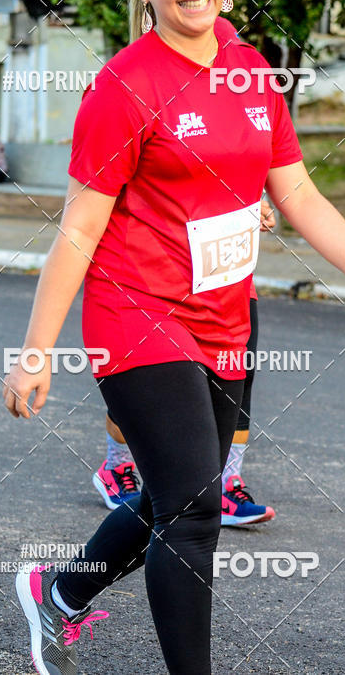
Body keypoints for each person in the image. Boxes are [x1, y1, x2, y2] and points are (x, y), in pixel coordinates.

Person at [3, 0, 345, 675]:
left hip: (225, 312)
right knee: (196, 513)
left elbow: (294, 194)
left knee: (172, 496)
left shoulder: (252, 68)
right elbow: (80, 229)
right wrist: (35, 353)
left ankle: (57, 594)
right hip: (136, 309)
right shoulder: (125, 87)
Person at [93, 198, 277, 527]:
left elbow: (291, 189)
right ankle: (117, 466)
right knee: (152, 381)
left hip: (226, 273)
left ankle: (225, 484)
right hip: (158, 271)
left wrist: (252, 201)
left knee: (239, 373)